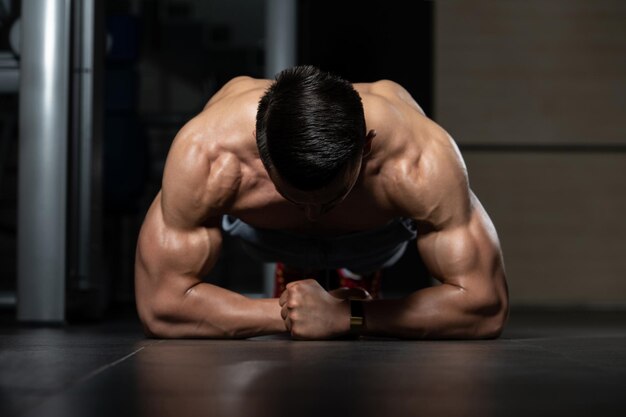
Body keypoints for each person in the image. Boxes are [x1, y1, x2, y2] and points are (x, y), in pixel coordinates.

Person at [134, 66, 509, 340]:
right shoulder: (208, 152)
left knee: (365, 256)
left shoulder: (419, 158)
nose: (311, 215)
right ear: (261, 153)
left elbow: (485, 307)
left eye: (330, 201)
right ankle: (302, 275)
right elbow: (161, 308)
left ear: (366, 148)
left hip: (372, 237)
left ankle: (351, 275)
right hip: (266, 234)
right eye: (295, 199)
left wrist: (349, 315)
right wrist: (287, 313)